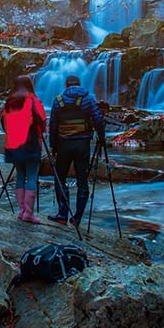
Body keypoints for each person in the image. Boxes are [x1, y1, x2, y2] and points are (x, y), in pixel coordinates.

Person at [46, 75, 104, 226]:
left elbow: (53, 125)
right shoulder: (88, 99)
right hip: (82, 145)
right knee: (82, 180)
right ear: (79, 84)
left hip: (63, 144)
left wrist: (53, 146)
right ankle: (77, 217)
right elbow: (98, 119)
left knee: (60, 178)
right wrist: (102, 139)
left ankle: (62, 213)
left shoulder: (59, 100)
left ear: (66, 85)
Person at [1, 75, 46, 223]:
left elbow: (4, 123)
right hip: (30, 142)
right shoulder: (33, 101)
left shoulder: (9, 102)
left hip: (13, 143)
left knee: (20, 175)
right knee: (32, 176)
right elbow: (42, 121)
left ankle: (21, 210)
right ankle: (29, 212)